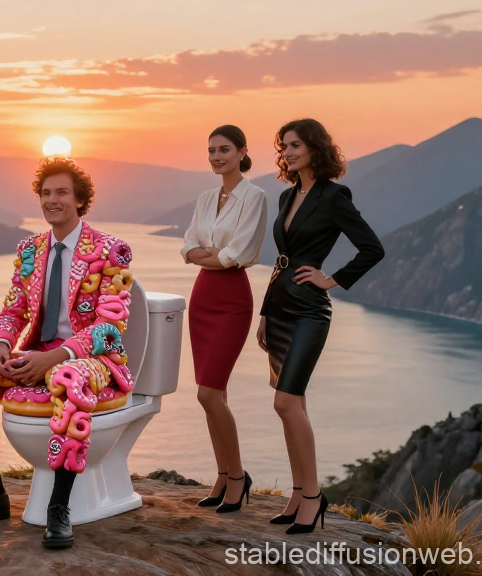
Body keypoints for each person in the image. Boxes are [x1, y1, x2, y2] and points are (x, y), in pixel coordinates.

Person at [0, 157, 136, 550]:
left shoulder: (112, 250)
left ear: (80, 200)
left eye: (61, 192)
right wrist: (1, 346)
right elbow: (13, 310)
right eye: (46, 193)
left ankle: (58, 508)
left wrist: (58, 356)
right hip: (35, 354)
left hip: (92, 362)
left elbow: (110, 328)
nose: (52, 200)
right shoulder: (30, 249)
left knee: (69, 379)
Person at [257, 119, 384, 534]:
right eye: (284, 146)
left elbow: (372, 248)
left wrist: (332, 279)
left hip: (311, 311)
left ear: (315, 148)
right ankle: (298, 493)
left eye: (296, 145)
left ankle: (314, 497)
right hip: (278, 308)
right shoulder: (286, 196)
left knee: (286, 403)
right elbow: (282, 259)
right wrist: (263, 315)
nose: (288, 153)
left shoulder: (334, 196)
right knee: (295, 406)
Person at [180, 125, 268, 513]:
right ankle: (222, 475)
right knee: (213, 396)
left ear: (242, 152)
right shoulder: (205, 197)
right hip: (202, 297)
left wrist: (212, 254)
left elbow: (239, 253)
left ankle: (238, 477)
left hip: (233, 299)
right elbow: (187, 247)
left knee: (208, 393)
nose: (217, 156)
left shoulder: (256, 196)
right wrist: (210, 254)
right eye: (212, 150)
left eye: (225, 149)